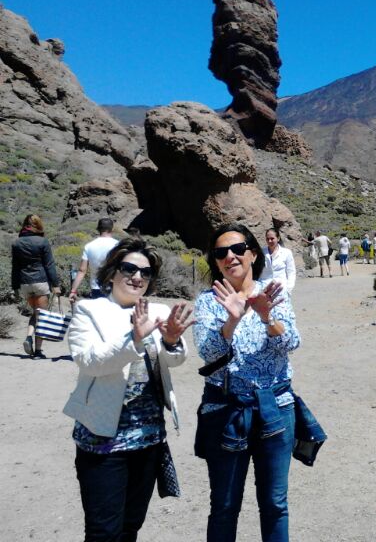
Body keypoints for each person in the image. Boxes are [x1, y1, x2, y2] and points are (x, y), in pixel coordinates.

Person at [63, 237, 193, 541]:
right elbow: (88, 361)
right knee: (103, 531)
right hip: (103, 440)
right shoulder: (88, 310)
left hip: (147, 440)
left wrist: (173, 341)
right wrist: (133, 340)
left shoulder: (158, 309)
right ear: (111, 272)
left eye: (145, 273)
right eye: (129, 268)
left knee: (131, 525)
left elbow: (174, 361)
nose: (137, 277)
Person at [193, 224, 301, 542]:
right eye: (221, 252)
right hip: (226, 410)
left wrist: (268, 317)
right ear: (215, 261)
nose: (230, 256)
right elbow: (208, 352)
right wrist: (233, 319)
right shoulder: (208, 301)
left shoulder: (273, 292)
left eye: (238, 249)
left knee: (275, 505)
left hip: (276, 409)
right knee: (224, 506)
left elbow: (292, 343)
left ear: (253, 253)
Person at [11, 214, 61, 359]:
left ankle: (28, 337)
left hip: (25, 283)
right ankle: (38, 351)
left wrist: (15, 287)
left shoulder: (16, 243)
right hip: (40, 281)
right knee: (42, 317)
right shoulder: (42, 242)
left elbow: (15, 267)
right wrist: (55, 285)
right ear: (38, 225)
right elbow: (49, 265)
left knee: (35, 313)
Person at [69, 217, 119, 302]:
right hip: (116, 287)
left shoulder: (89, 246)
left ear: (98, 229)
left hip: (96, 288)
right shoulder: (118, 245)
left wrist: (73, 290)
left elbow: (82, 270)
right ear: (112, 229)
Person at [259, 228, 297, 298]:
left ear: (278, 238)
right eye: (267, 239)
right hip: (264, 291)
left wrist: (288, 289)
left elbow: (291, 272)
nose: (269, 241)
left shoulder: (286, 253)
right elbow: (257, 272)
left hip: (282, 291)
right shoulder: (261, 253)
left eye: (272, 238)